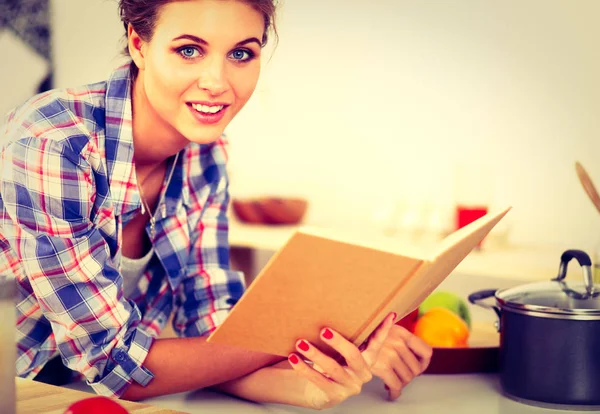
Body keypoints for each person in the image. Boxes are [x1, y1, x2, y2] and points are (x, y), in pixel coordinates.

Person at [0, 0, 432, 409]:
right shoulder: (55, 144)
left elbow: (212, 329)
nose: (217, 82)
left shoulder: (205, 155)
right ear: (138, 44)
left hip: (73, 395)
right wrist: (319, 334)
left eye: (242, 54)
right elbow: (117, 365)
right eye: (189, 50)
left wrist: (305, 385)